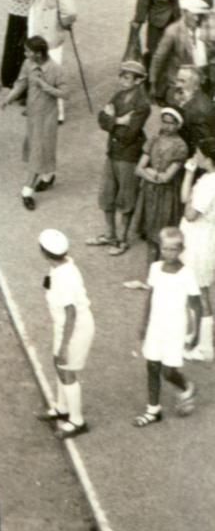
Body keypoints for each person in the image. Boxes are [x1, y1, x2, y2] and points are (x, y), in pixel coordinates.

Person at [132, 226, 202, 426]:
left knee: (168, 371)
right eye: (165, 248)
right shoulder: (155, 268)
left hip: (175, 329)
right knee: (152, 366)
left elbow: (196, 305)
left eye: (173, 249)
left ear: (181, 250)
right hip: (155, 326)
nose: (168, 253)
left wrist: (196, 333)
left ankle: (187, 386)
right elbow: (149, 296)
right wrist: (143, 324)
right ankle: (153, 410)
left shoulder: (186, 274)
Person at [36, 230, 94, 439]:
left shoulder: (63, 277)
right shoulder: (62, 267)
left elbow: (71, 313)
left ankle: (77, 421)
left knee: (67, 371)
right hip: (64, 326)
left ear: (43, 251)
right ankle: (62, 408)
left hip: (75, 328)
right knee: (59, 366)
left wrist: (64, 346)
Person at [89, 58, 151, 254]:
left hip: (128, 156)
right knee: (106, 195)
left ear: (139, 80)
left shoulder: (142, 105)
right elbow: (101, 118)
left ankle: (122, 239)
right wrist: (119, 120)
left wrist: (111, 121)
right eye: (122, 75)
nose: (122, 80)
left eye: (127, 77)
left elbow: (130, 134)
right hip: (113, 153)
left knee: (126, 197)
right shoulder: (119, 95)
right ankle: (110, 234)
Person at [1, 35, 67, 209]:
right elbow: (21, 83)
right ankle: (48, 176)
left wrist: (44, 85)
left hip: (48, 117)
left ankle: (27, 191)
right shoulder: (28, 64)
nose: (25, 53)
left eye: (28, 51)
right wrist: (8, 98)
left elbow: (65, 93)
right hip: (33, 115)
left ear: (38, 53)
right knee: (40, 148)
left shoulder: (56, 69)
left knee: (38, 151)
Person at [131, 107, 189, 261]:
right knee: (150, 237)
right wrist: (156, 175)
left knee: (163, 238)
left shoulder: (180, 146)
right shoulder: (154, 139)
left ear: (178, 125)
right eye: (164, 122)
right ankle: (151, 275)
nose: (167, 126)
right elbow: (138, 169)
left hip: (167, 197)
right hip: (149, 193)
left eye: (171, 123)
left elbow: (167, 178)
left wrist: (150, 171)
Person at [180, 136, 215, 362]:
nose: (196, 155)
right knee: (194, 291)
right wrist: (190, 171)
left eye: (199, 153)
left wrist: (190, 203)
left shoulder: (210, 184)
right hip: (198, 239)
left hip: (199, 241)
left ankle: (205, 346)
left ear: (209, 158)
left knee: (200, 292)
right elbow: (185, 198)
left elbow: (190, 214)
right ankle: (195, 334)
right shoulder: (206, 179)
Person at [150, 0, 212, 105]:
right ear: (184, 12)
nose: (197, 18)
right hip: (182, 81)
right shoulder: (173, 31)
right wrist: (153, 82)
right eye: (194, 15)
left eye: (199, 15)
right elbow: (159, 58)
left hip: (203, 78)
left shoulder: (205, 26)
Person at [0, 0, 41, 89]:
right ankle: (9, 78)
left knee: (19, 48)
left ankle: (19, 81)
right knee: (12, 45)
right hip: (14, 11)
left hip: (25, 15)